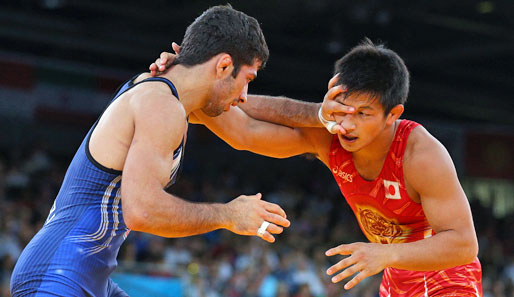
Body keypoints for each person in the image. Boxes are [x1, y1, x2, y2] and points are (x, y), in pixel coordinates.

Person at [152, 39, 482, 296]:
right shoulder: (331, 137)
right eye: (343, 109)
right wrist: (187, 86)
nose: (349, 124)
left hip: (448, 280)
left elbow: (464, 244)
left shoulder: (420, 155)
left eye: (364, 114)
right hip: (396, 277)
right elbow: (244, 132)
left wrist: (388, 255)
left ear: (392, 115)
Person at [10, 5, 291, 297]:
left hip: (87, 277)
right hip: (57, 275)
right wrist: (228, 214)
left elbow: (252, 129)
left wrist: (324, 116)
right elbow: (142, 211)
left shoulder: (168, 97)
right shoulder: (160, 104)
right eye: (247, 80)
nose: (245, 96)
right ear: (223, 66)